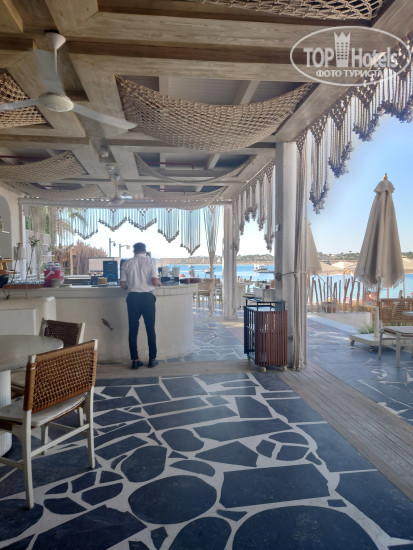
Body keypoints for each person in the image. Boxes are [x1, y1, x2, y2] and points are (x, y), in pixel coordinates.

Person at [120, 242, 162, 369]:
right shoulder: (151, 262)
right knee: (150, 329)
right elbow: (154, 281)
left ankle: (135, 360)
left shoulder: (126, 263)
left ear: (134, 251)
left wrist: (130, 287)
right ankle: (152, 360)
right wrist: (160, 284)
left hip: (133, 298)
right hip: (147, 298)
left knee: (133, 329)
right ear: (145, 250)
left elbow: (122, 285)